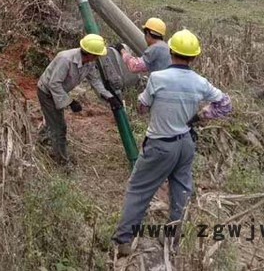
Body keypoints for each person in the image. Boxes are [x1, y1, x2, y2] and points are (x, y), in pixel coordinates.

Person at [112, 29, 233, 257]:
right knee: (181, 190)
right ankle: (173, 237)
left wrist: (149, 104)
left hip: (160, 143)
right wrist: (200, 116)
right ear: (194, 57)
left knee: (139, 189)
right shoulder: (200, 82)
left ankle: (124, 240)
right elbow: (225, 104)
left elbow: (142, 107)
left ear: (171, 51)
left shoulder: (158, 78)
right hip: (186, 143)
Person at [37, 34, 122, 165]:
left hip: (58, 91)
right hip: (47, 92)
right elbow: (53, 84)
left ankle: (43, 140)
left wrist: (109, 97)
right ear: (90, 54)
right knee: (60, 128)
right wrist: (70, 102)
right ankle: (63, 163)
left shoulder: (89, 62)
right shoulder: (65, 60)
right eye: (97, 55)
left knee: (53, 121)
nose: (98, 58)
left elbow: (95, 81)